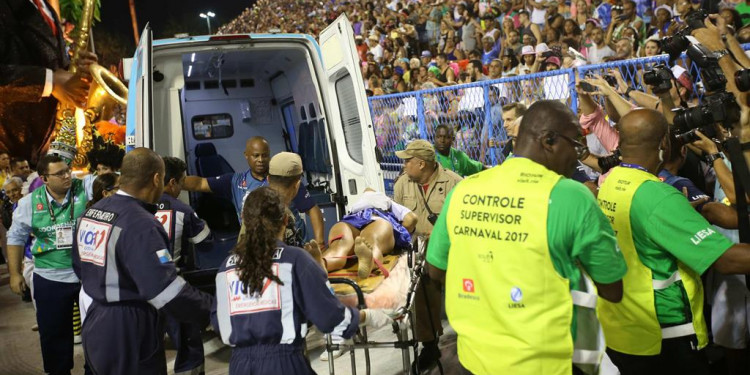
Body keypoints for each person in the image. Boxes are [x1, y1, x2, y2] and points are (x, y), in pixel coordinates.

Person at [426, 100, 626, 375]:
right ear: (550, 140)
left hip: (473, 359)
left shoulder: (464, 190)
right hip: (544, 364)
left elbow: (435, 270)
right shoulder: (571, 195)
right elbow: (613, 289)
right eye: (577, 146)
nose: (578, 156)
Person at [596, 109, 750, 374]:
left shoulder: (613, 181)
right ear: (664, 145)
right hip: (665, 335)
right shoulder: (659, 196)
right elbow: (726, 260)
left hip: (623, 330)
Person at [211, 186, 393, 374]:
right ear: (284, 221)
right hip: (283, 365)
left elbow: (219, 322)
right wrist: (367, 316)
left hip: (239, 366)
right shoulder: (294, 260)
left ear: (244, 221)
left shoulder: (226, 267)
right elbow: (330, 317)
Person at [73, 148, 213, 375]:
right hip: (129, 326)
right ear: (157, 178)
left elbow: (79, 266)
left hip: (95, 319)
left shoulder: (91, 213)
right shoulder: (141, 223)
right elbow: (164, 290)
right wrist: (214, 310)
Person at [6, 154, 88, 375]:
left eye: (67, 170)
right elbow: (15, 238)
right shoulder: (29, 203)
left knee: (95, 331)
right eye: (59, 173)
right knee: (54, 336)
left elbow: (109, 183)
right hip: (49, 277)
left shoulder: (84, 188)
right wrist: (15, 274)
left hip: (86, 276)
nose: (67, 176)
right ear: (44, 178)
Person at [393, 139, 462, 373]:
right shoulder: (403, 185)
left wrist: (441, 234)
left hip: (451, 251)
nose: (404, 165)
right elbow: (399, 220)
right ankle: (430, 345)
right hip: (419, 251)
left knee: (462, 294)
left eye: (408, 161)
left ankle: (469, 336)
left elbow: (463, 221)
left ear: (421, 164)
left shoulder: (454, 183)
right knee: (420, 294)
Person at [0, 0, 97, 163]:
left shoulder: (46, 8)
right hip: (8, 156)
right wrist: (50, 81)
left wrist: (74, 73)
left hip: (41, 153)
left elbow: (49, 61)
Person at [183, 136, 325, 245]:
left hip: (292, 244)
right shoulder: (235, 182)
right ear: (246, 155)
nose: (261, 160)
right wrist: (174, 182)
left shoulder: (283, 178)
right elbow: (200, 183)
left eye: (265, 155)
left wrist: (319, 243)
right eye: (256, 155)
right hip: (256, 247)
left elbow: (312, 209)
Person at [156, 156, 211, 375]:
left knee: (150, 345)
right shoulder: (182, 210)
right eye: (181, 182)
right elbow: (204, 241)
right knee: (189, 344)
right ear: (172, 183)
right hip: (173, 287)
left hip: (143, 289)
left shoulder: (138, 206)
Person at [307, 189, 417, 279]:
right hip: (377, 216)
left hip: (352, 219)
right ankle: (369, 260)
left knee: (339, 246)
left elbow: (412, 220)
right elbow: (411, 219)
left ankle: (323, 263)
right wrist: (396, 236)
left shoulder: (359, 202)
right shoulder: (389, 202)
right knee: (371, 241)